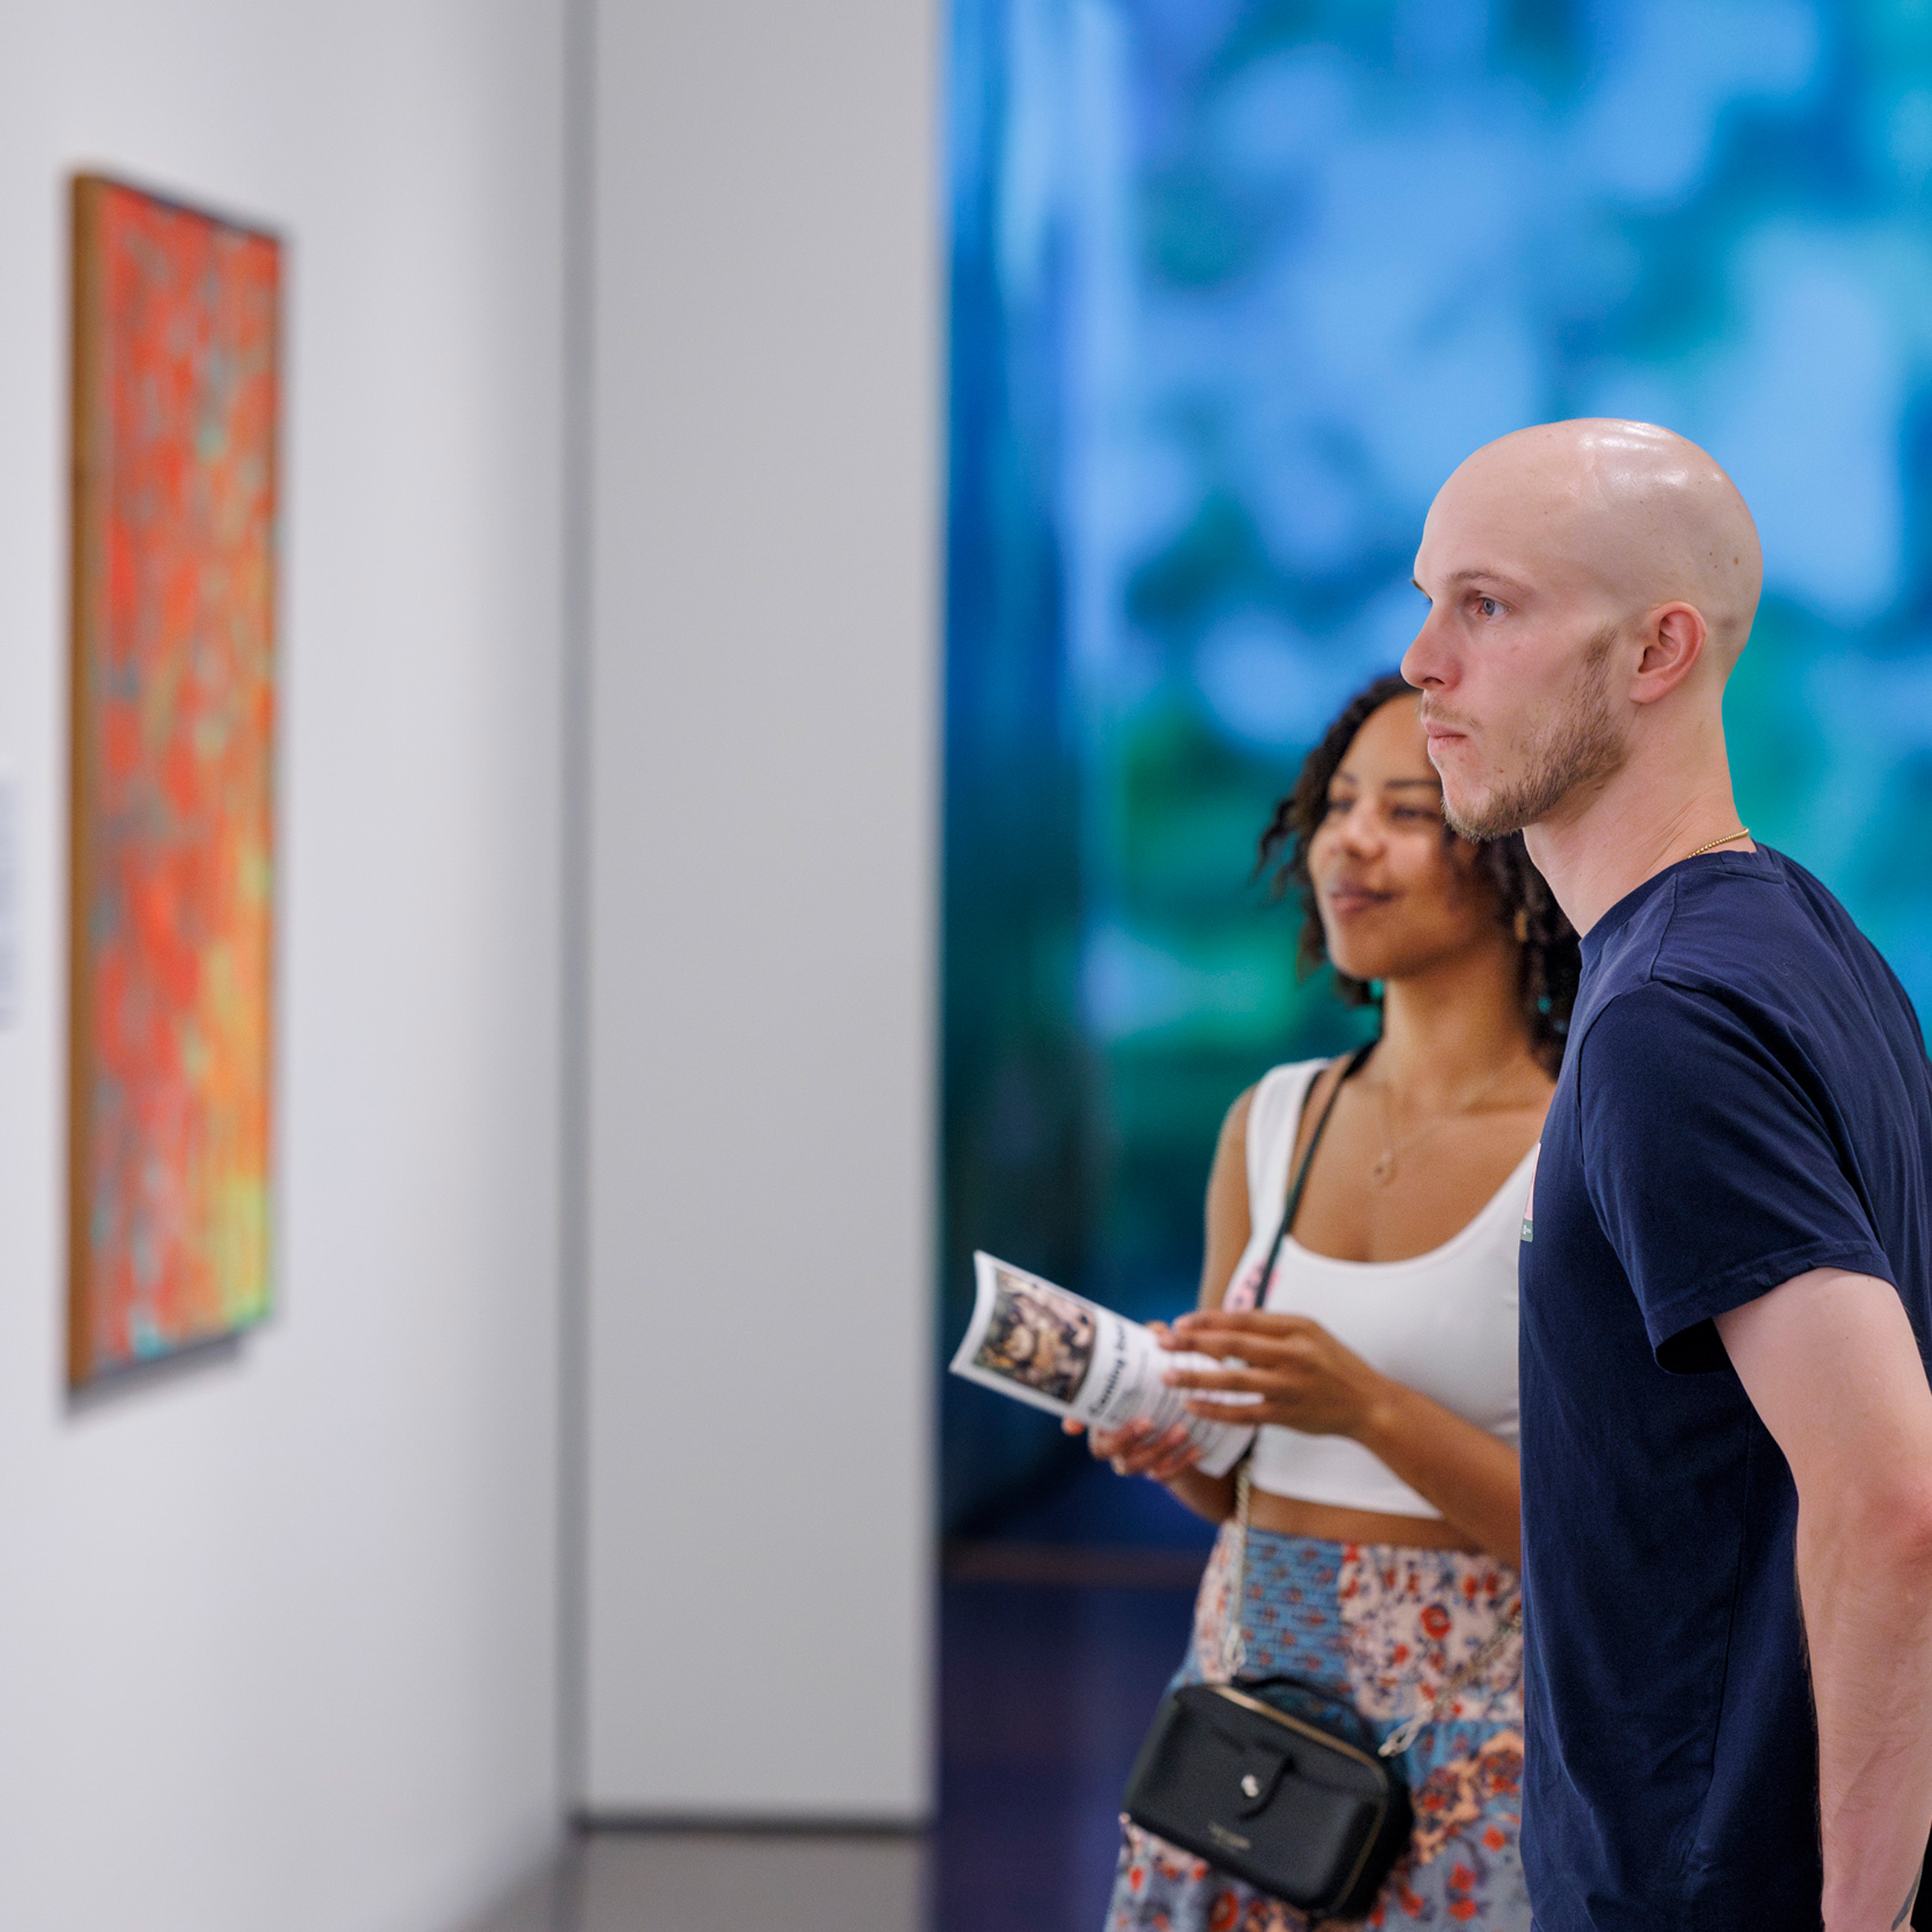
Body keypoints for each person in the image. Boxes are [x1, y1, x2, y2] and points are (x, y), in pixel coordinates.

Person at [1401, 418, 1932, 1931]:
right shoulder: (1800, 935)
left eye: (1485, 606)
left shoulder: (1667, 1022)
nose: (1421, 660)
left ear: (1657, 653)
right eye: (1428, 598)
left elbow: (1890, 1493)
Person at [1077, 673, 1579, 1931]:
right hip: (1240, 1735)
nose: (1349, 839)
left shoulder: (1582, 1146)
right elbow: (1234, 1486)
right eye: (1338, 803)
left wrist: (1367, 1408)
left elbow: (1611, 1552)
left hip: (1477, 1757)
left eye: (1408, 810)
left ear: (1520, 863)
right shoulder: (1272, 1125)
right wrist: (1167, 1441)